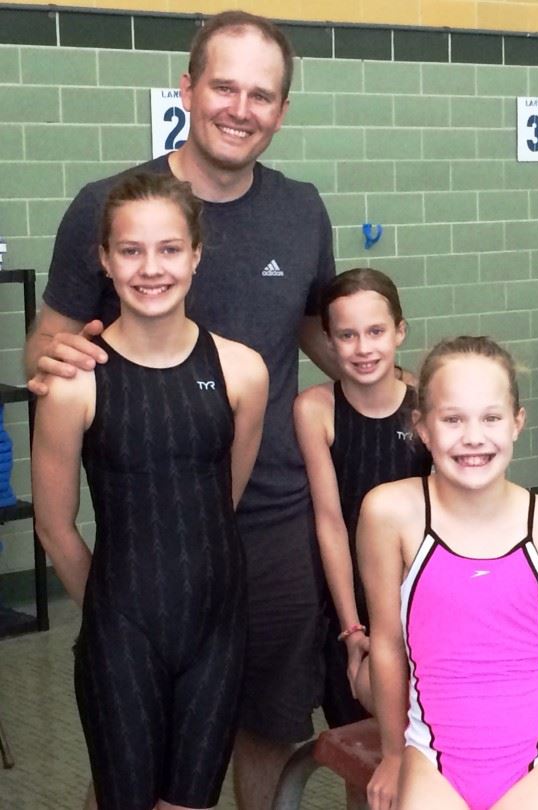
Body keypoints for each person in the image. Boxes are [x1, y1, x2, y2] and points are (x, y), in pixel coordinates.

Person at [23, 13, 338, 809]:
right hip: (152, 534)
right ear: (188, 89)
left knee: (266, 722)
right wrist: (57, 366)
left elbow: (312, 326)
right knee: (134, 745)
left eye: (261, 94)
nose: (240, 108)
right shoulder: (109, 206)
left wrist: (394, 385)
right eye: (224, 86)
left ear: (282, 110)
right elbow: (47, 351)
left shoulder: (301, 211)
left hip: (271, 522)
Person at [31, 172, 268, 810]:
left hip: (218, 626)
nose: (150, 268)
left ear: (195, 254)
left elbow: (225, 495)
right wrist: (113, 611)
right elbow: (54, 526)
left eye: (168, 249)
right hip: (121, 632)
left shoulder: (243, 371)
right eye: (130, 250)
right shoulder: (72, 384)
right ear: (105, 261)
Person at [357, 337, 538, 810]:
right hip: (432, 756)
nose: (473, 437)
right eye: (452, 419)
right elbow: (388, 646)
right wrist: (393, 756)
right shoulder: (390, 513)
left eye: (491, 418)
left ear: (517, 423)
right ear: (423, 428)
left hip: (537, 760)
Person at [294, 268, 432, 725]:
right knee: (360, 735)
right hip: (348, 594)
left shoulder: (424, 407)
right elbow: (330, 521)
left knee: (426, 732)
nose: (364, 348)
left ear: (399, 331)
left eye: (376, 331)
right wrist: (352, 626)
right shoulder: (316, 409)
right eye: (348, 335)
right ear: (330, 342)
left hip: (420, 594)